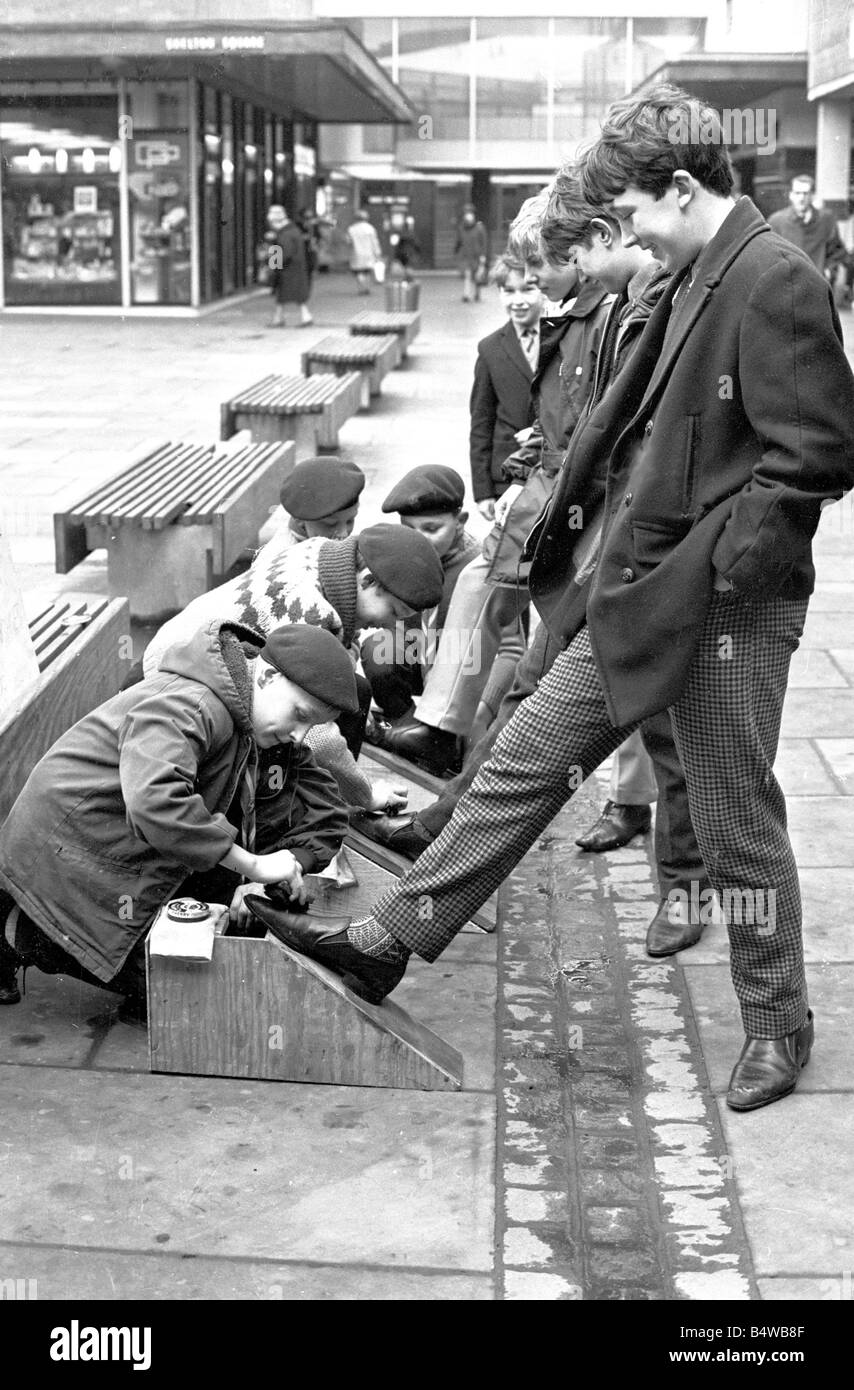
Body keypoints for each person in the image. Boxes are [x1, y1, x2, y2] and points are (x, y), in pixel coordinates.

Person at [246, 85, 854, 1115]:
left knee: (730, 813)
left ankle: (775, 1019)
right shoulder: (695, 270)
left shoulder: (771, 276)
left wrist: (718, 569)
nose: (627, 233)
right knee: (524, 759)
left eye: (633, 213)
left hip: (720, 611)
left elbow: (818, 455)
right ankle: (388, 941)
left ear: (677, 187)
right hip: (640, 589)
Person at [362, 167, 708, 958]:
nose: (544, 284)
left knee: (679, 739)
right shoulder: (615, 308)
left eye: (548, 266)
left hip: (642, 560)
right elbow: (594, 431)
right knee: (530, 713)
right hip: (593, 553)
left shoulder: (668, 298)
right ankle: (422, 881)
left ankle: (686, 894)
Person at [0, 623, 356, 1013]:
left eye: (312, 726)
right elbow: (155, 801)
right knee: (187, 993)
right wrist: (253, 866)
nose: (300, 736)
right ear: (268, 676)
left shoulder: (253, 714)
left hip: (119, 852)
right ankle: (22, 930)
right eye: (300, 715)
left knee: (209, 980)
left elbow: (328, 807)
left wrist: (291, 864)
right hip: (64, 852)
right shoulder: (192, 703)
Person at [379, 191, 611, 776]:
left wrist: (552, 451)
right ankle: (453, 734)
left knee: (498, 605)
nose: (527, 285)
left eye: (535, 272)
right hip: (550, 487)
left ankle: (452, 734)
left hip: (573, 501)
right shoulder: (582, 311)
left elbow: (600, 424)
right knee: (496, 608)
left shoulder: (602, 312)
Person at [142, 524, 444, 818]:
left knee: (352, 691)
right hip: (182, 677)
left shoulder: (321, 552)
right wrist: (364, 793)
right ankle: (320, 809)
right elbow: (316, 732)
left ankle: (325, 800)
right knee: (312, 717)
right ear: (366, 581)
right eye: (393, 611)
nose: (388, 624)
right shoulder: (311, 611)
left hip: (188, 647)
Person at [361, 466, 480, 755]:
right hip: (418, 652)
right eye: (410, 529)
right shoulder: (401, 555)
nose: (420, 540)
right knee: (378, 649)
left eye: (431, 529)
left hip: (465, 670)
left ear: (460, 521)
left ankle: (446, 739)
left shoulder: (479, 566)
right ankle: (405, 725)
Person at [468, 253, 541, 521]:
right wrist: (483, 490)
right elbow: (481, 422)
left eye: (528, 289)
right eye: (508, 291)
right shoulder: (490, 348)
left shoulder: (562, 337)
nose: (518, 300)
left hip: (549, 469)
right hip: (506, 473)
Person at [257, 456, 365, 551]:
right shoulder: (283, 557)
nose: (344, 534)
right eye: (330, 524)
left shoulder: (318, 540)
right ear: (298, 519)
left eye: (350, 521)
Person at [768, 175, 847, 305]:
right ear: (790, 195)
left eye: (805, 193)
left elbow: (837, 251)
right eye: (797, 193)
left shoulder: (826, 220)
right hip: (788, 292)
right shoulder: (777, 221)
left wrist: (828, 272)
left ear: (812, 196)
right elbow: (769, 256)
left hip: (818, 290)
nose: (801, 198)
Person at [264, 204, 313, 329]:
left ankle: (280, 319)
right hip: (295, 267)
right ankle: (294, 317)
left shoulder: (285, 234)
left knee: (284, 294)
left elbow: (284, 253)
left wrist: (272, 262)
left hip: (288, 269)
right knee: (291, 296)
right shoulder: (293, 230)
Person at [455, 204, 488, 302]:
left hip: (477, 255)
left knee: (477, 276)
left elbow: (484, 242)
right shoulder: (461, 227)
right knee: (467, 274)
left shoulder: (479, 227)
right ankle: (466, 294)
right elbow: (459, 241)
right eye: (466, 213)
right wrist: (457, 250)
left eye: (470, 213)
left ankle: (477, 293)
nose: (468, 215)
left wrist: (483, 255)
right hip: (466, 255)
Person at [346, 210, 383, 295]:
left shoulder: (351, 229)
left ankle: (361, 287)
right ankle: (366, 287)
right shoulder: (370, 228)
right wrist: (377, 252)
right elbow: (375, 241)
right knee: (367, 271)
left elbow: (348, 241)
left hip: (356, 253)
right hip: (368, 253)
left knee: (359, 271)